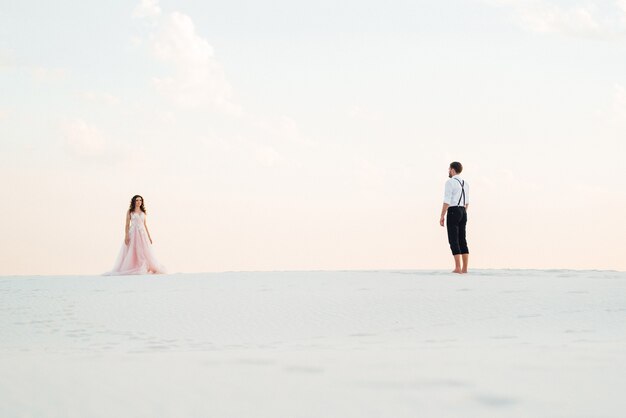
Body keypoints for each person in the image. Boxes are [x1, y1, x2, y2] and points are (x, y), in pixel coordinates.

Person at [104, 195, 166, 275]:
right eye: (137, 200)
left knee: (144, 251)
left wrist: (149, 237)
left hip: (142, 234)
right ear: (134, 201)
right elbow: (127, 225)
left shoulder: (143, 212)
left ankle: (145, 266)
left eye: (140, 200)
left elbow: (145, 225)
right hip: (133, 233)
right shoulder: (130, 211)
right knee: (133, 250)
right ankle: (134, 266)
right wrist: (126, 235)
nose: (139, 202)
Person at [439, 162, 469, 274]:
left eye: (449, 169)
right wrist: (463, 213)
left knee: (453, 239)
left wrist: (442, 215)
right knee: (462, 239)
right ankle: (465, 268)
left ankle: (457, 267)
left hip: (453, 210)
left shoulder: (450, 182)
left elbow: (447, 201)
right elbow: (467, 202)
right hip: (463, 211)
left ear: (452, 170)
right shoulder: (466, 184)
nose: (448, 171)